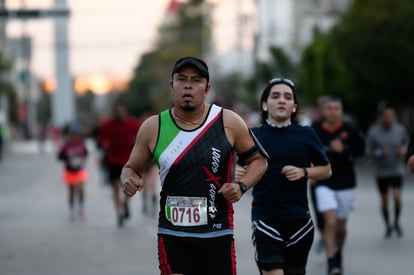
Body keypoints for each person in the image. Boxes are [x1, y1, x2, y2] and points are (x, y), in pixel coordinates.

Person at [120, 56, 268, 275]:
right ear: (172, 86)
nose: (188, 85)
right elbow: (130, 168)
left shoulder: (228, 121)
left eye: (196, 80)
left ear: (207, 88)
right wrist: (128, 179)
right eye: (181, 79)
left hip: (218, 234)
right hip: (173, 235)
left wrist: (241, 186)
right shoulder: (154, 127)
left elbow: (259, 161)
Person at [235, 78, 332, 275]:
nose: (282, 100)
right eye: (275, 96)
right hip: (265, 220)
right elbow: (239, 170)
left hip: (300, 222)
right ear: (264, 104)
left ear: (294, 106)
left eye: (288, 97)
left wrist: (304, 172)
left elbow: (326, 170)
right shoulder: (253, 135)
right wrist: (239, 174)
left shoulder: (306, 134)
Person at [312, 96, 365, 275]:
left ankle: (339, 252)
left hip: (346, 183)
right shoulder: (315, 130)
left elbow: (362, 153)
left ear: (341, 111)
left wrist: (345, 151)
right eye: (330, 108)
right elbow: (306, 151)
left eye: (337, 108)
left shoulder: (350, 130)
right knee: (330, 221)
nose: (333, 111)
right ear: (324, 111)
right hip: (323, 182)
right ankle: (330, 260)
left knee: (341, 227)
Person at [366, 107, 409, 238]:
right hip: (382, 171)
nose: (388, 119)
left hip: (396, 169)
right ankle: (387, 225)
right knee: (385, 201)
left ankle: (396, 222)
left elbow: (407, 144)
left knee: (397, 197)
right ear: (381, 117)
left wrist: (403, 150)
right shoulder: (374, 132)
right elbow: (367, 151)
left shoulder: (400, 130)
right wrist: (379, 152)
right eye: (386, 116)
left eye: (391, 116)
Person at [98, 101, 141, 227]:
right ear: (114, 112)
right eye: (117, 111)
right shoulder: (107, 125)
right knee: (115, 187)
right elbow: (100, 140)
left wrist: (135, 143)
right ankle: (119, 212)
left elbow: (140, 138)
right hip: (113, 160)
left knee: (128, 187)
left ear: (125, 111)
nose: (119, 113)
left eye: (121, 111)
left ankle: (125, 204)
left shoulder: (132, 124)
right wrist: (104, 145)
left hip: (128, 161)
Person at [57, 123, 88, 221]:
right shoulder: (66, 145)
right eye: (72, 134)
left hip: (80, 170)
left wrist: (80, 158)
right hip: (69, 171)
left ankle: (81, 209)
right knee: (71, 191)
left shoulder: (81, 143)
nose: (74, 136)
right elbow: (59, 156)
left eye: (75, 134)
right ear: (69, 134)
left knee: (81, 189)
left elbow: (86, 153)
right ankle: (71, 210)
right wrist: (67, 158)